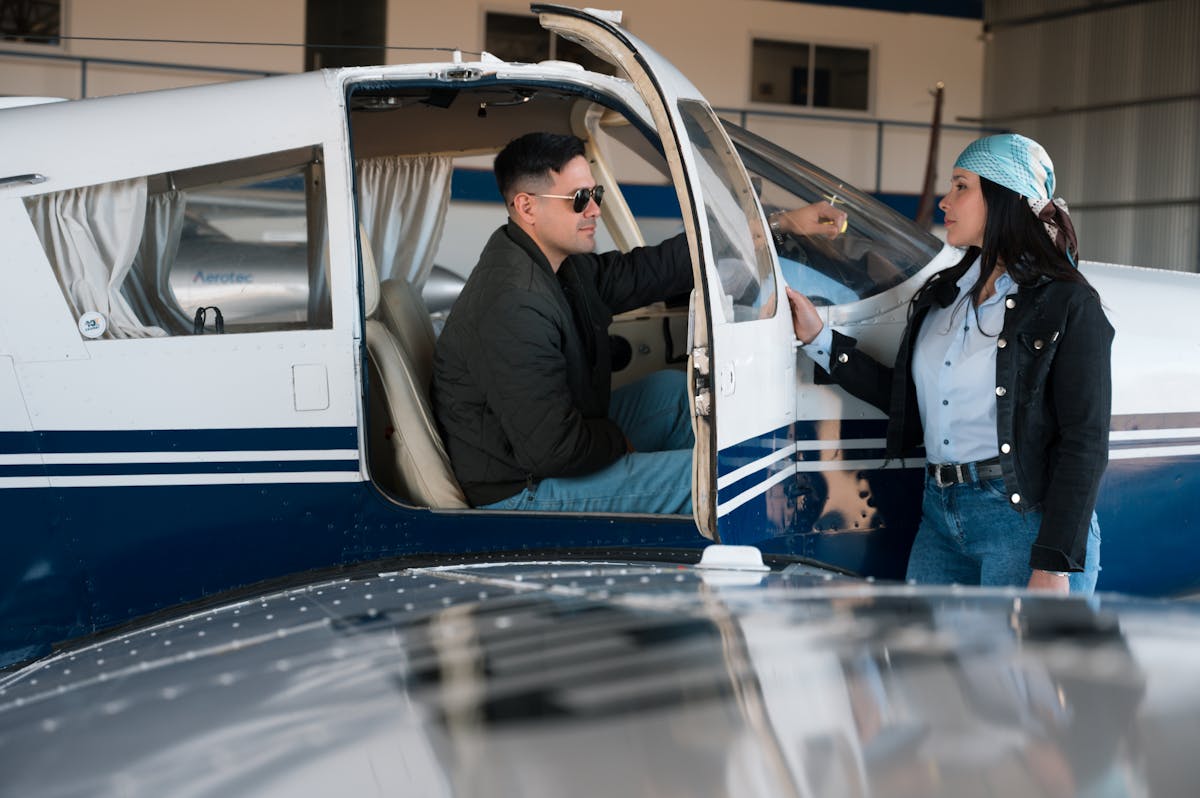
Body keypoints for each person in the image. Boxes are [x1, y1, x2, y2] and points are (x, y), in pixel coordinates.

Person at [433, 131, 842, 514]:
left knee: (674, 393)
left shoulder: (558, 267)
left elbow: (654, 269)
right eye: (578, 198)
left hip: (548, 441)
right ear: (526, 207)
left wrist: (780, 224)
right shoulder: (513, 303)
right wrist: (619, 444)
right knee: (720, 479)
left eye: (596, 194)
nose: (594, 208)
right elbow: (553, 450)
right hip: (519, 486)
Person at [787, 133, 1113, 594]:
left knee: (1022, 668)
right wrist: (821, 340)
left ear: (1004, 198)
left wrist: (1054, 564)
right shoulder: (944, 296)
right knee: (932, 666)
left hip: (1022, 525)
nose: (945, 201)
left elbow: (1085, 442)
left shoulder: (1069, 303)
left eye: (961, 186)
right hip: (940, 517)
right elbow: (909, 399)